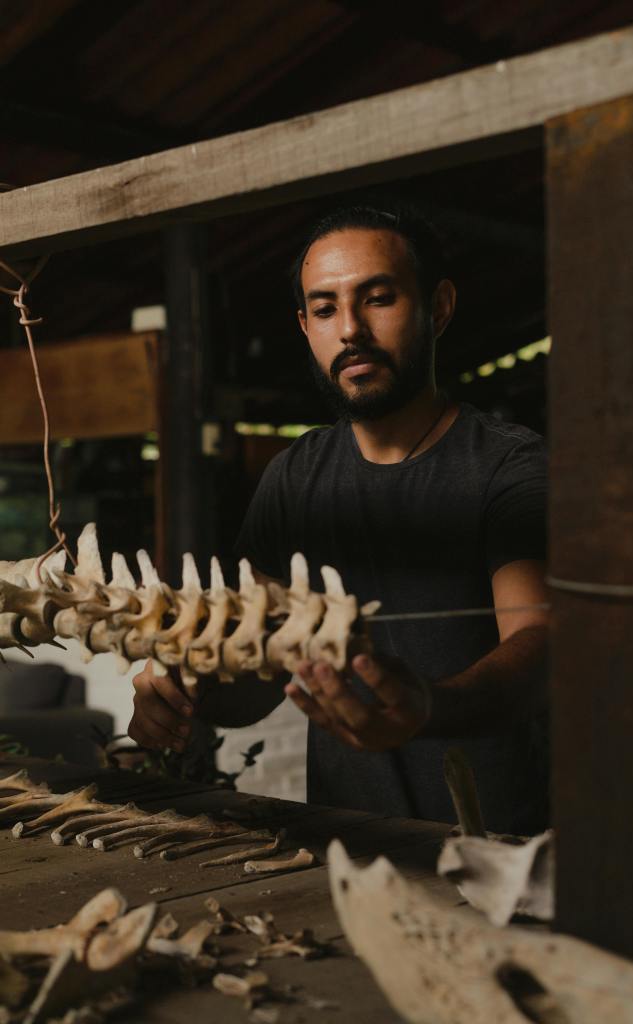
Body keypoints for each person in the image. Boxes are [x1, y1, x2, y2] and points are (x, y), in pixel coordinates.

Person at [128, 204, 549, 834]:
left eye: (377, 299)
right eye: (324, 309)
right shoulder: (293, 476)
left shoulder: (511, 467)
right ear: (305, 326)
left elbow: (542, 648)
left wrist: (426, 707)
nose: (350, 329)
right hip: (343, 848)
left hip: (504, 855)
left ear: (437, 307)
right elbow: (260, 677)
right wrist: (188, 694)